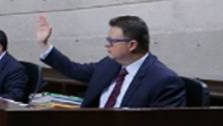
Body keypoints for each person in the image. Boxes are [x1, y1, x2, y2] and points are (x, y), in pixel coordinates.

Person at [36, 14, 185, 108]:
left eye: (112, 41)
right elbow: (74, 70)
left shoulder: (164, 81)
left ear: (132, 45)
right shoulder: (110, 64)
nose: (107, 45)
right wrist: (44, 44)